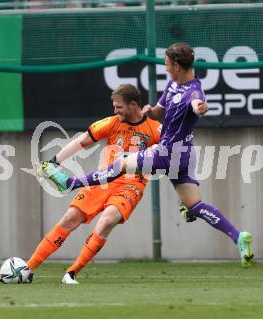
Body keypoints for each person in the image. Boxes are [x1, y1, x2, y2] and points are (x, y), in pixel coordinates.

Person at [39, 43, 254, 268]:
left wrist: (201, 108)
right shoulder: (173, 84)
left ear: (178, 66)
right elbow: (160, 110)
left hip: (168, 152)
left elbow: (197, 104)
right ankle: (239, 237)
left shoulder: (193, 91)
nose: (166, 68)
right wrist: (151, 111)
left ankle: (69, 183)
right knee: (194, 205)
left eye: (168, 65)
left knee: (120, 164)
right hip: (184, 153)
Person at [28, 84, 162, 284]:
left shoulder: (155, 129)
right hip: (102, 180)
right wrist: (54, 161)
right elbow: (82, 141)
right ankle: (27, 269)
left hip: (131, 185)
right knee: (69, 218)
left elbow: (175, 154)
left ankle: (71, 273)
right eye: (114, 107)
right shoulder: (111, 123)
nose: (115, 111)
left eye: (119, 107)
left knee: (106, 221)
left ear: (133, 105)